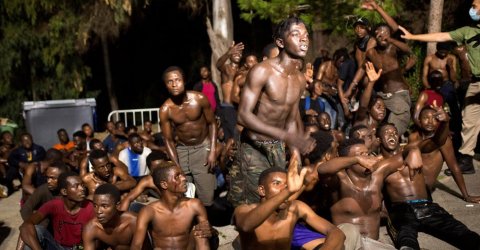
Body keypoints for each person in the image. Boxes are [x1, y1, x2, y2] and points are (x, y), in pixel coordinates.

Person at [230, 17, 316, 206]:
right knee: (254, 204)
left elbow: (292, 117)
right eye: (296, 34)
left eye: (306, 35)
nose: (304, 39)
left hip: (278, 146)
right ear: (280, 42)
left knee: (279, 201)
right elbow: (243, 115)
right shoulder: (262, 71)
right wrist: (287, 136)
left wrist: (295, 153)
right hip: (254, 148)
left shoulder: (300, 79)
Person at [398, 2, 480, 173]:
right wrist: (413, 37)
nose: (472, 9)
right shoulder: (467, 31)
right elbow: (441, 36)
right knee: (469, 119)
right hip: (476, 82)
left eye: (475, 5)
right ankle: (466, 159)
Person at [378, 122, 480, 249]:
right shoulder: (378, 164)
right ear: (379, 140)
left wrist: (444, 123)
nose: (392, 135)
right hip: (401, 210)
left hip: (426, 206)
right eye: (387, 133)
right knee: (406, 239)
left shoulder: (413, 149)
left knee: (462, 233)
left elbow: (436, 141)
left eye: (394, 132)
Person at [234, 152, 346, 250]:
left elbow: (335, 232)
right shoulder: (244, 210)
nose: (283, 188)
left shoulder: (296, 207)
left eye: (287, 184)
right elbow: (246, 226)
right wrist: (288, 191)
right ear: (262, 190)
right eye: (276, 183)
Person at [159, 66, 217, 207]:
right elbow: (168, 140)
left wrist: (213, 150)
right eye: (170, 81)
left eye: (177, 80)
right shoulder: (165, 109)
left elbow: (212, 124)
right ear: (166, 85)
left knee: (207, 196)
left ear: (184, 81)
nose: (174, 84)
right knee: (182, 193)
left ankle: (204, 221)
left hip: (203, 148)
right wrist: (176, 165)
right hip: (182, 150)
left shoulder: (200, 99)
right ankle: (191, 226)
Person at [130, 164, 212, 250]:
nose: (184, 178)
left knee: (201, 232)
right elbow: (136, 245)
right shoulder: (149, 211)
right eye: (177, 177)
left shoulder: (194, 205)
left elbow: (205, 237)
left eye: (182, 175)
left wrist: (210, 230)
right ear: (164, 184)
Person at [409, 107, 480, 203]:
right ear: (419, 120)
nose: (430, 121)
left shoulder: (445, 141)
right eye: (426, 118)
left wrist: (466, 195)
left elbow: (454, 167)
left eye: (434, 118)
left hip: (423, 190)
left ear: (439, 121)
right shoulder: (413, 137)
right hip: (409, 185)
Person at [20, 172, 94, 250]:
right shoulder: (54, 204)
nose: (82, 189)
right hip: (57, 247)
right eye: (76, 186)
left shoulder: (90, 207)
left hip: (80, 248)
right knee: (35, 230)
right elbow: (26, 225)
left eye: (82, 185)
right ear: (64, 191)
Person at [16, 162, 70, 250]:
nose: (49, 181)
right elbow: (26, 209)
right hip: (47, 230)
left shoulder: (72, 192)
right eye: (47, 177)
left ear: (64, 179)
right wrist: (33, 224)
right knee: (28, 228)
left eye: (53, 178)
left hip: (67, 235)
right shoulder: (44, 189)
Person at [82, 184, 142, 250]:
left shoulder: (134, 222)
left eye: (104, 206)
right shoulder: (91, 228)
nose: (98, 211)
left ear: (117, 206)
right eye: (95, 206)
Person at [216, 42, 244, 141]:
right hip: (228, 108)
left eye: (240, 53)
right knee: (232, 138)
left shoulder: (242, 70)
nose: (238, 55)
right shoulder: (226, 68)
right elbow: (218, 64)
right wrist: (228, 52)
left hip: (239, 109)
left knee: (237, 138)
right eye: (235, 53)